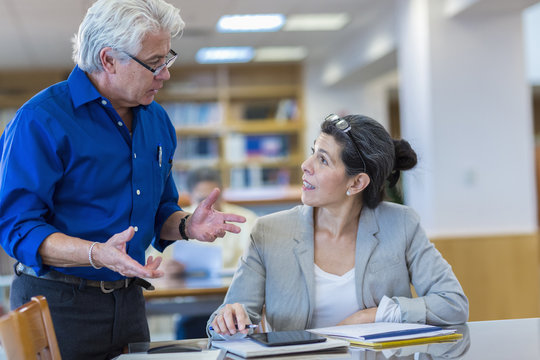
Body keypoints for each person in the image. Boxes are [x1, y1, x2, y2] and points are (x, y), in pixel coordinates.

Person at [0, 1, 245, 359]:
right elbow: (17, 228)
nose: (165, 74)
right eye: (154, 63)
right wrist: (96, 253)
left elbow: (161, 210)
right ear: (109, 59)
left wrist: (189, 225)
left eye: (167, 59)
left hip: (129, 302)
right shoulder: (39, 120)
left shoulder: (157, 120)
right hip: (55, 304)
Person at [208, 114, 469, 337]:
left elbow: (453, 304)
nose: (305, 166)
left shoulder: (400, 224)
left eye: (323, 160)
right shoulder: (269, 232)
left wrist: (374, 315)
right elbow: (224, 322)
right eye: (313, 153)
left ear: (356, 183)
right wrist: (228, 320)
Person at [154, 167, 257, 339]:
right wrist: (166, 268)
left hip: (235, 304)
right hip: (193, 305)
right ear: (190, 195)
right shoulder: (178, 222)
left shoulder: (247, 219)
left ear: (223, 192)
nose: (211, 206)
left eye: (215, 198)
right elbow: (157, 264)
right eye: (203, 199)